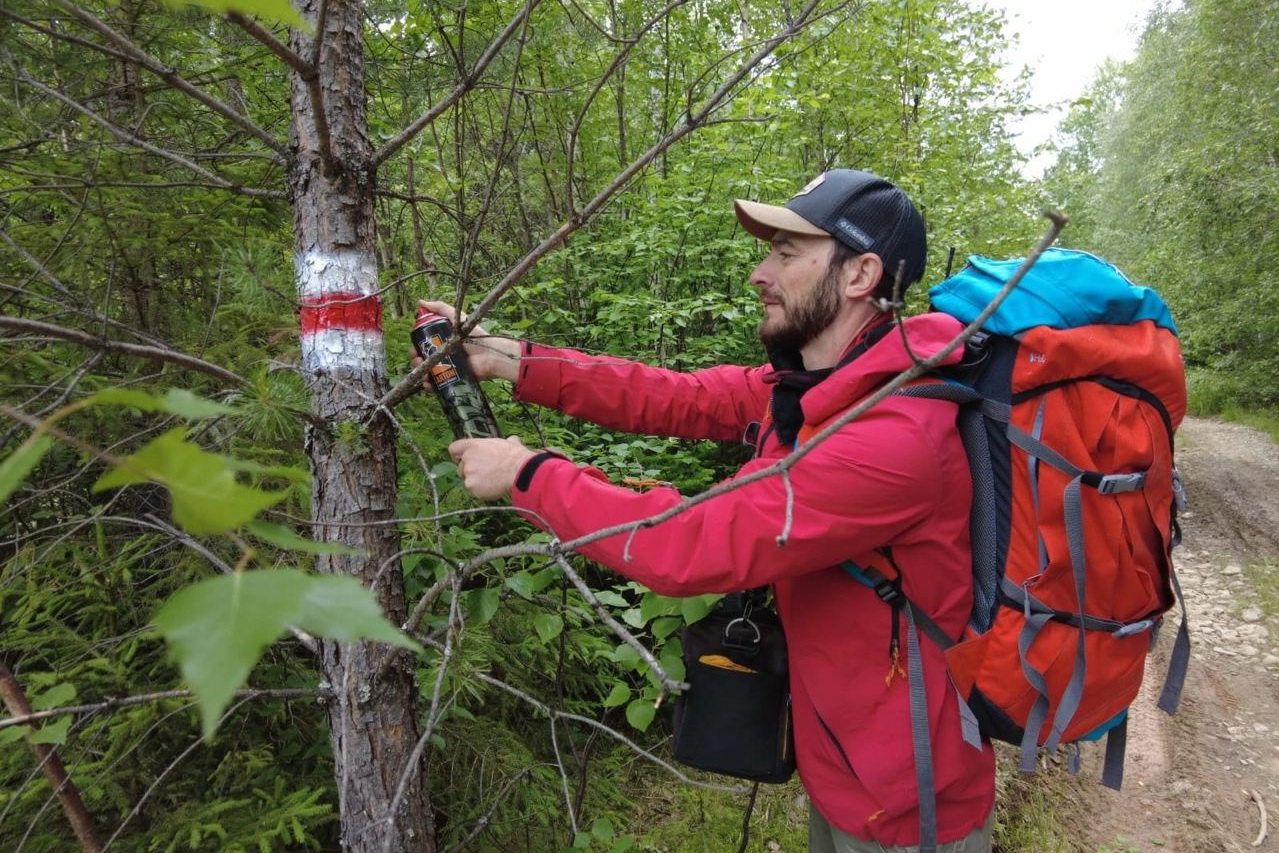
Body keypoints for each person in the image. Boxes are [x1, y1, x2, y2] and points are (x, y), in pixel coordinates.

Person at [426, 169, 996, 853]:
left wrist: (528, 475)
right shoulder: (821, 387)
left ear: (860, 274)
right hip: (851, 762)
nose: (761, 272)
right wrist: (511, 358)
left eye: (786, 254)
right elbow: (676, 394)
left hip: (909, 803)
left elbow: (687, 545)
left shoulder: (890, 437)